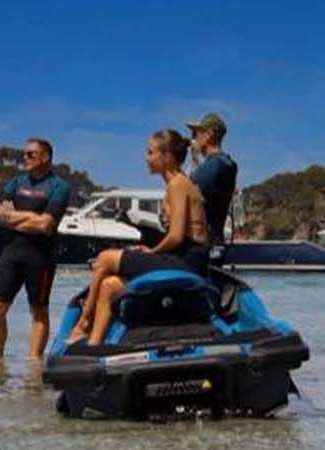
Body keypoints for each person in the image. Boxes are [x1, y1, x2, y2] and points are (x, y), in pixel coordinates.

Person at [69, 129, 208, 346]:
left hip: (188, 260)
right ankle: (94, 345)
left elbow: (177, 236)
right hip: (180, 257)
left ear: (167, 157)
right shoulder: (178, 184)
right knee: (109, 285)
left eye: (151, 153)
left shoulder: (178, 185)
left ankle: (83, 322)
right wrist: (149, 250)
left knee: (105, 258)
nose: (146, 158)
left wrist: (152, 252)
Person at [0, 137, 71, 359]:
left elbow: (46, 225)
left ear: (46, 157)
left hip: (41, 256)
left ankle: (34, 366)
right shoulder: (15, 183)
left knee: (38, 311)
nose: (25, 158)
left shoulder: (59, 187)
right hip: (12, 252)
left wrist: (15, 217)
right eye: (23, 154)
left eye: (30, 154)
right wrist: (31, 218)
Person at [187, 112, 238, 249]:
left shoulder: (216, 165)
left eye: (195, 134)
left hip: (205, 245)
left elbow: (187, 192)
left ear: (209, 134)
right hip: (214, 241)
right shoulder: (224, 163)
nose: (193, 139)